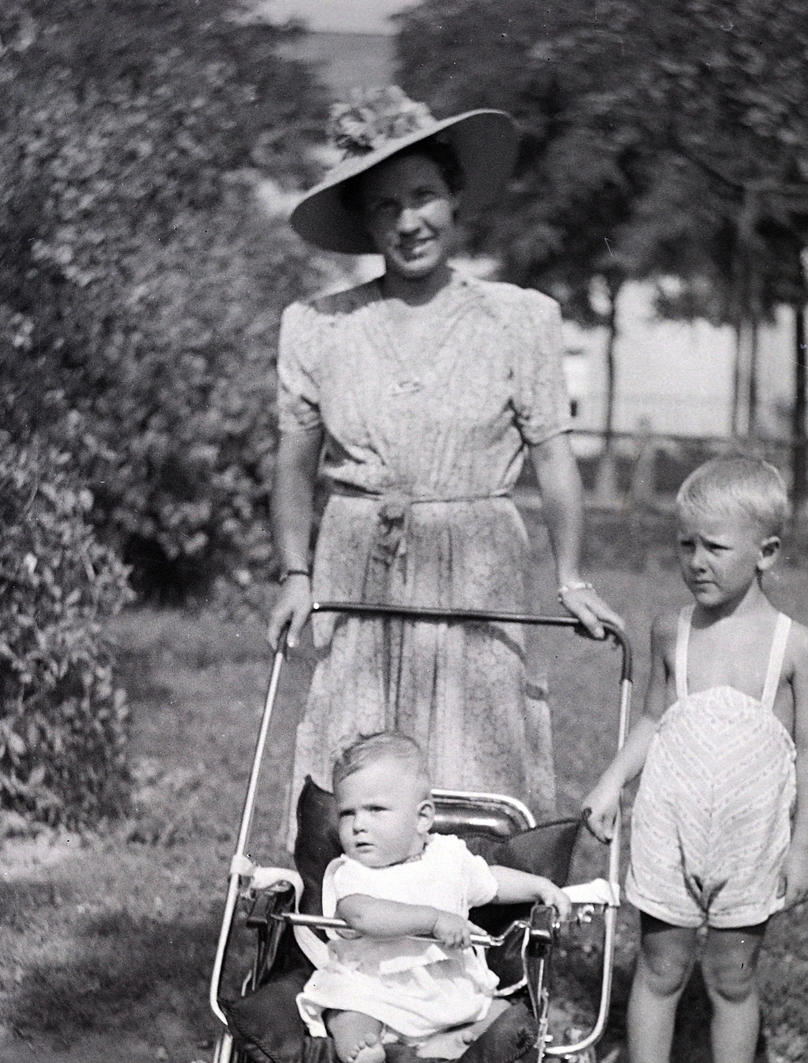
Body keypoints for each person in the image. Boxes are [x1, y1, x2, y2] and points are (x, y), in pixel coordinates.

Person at [266, 87, 622, 826]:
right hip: (358, 563)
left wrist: (572, 576)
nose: (409, 221)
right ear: (366, 222)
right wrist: (295, 573)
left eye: (424, 195)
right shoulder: (319, 326)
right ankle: (346, 926)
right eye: (386, 206)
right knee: (355, 759)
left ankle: (483, 925)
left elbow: (554, 459)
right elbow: (294, 460)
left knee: (477, 756)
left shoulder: (519, 319)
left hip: (477, 562)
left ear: (455, 199)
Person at [582, 458, 808, 1063]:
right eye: (685, 544)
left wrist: (806, 842)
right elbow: (654, 717)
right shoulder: (673, 630)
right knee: (659, 968)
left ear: (767, 553)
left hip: (751, 838)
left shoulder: (796, 646)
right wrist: (609, 784)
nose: (696, 562)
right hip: (670, 826)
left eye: (714, 547)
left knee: (733, 975)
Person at [298, 732, 572, 1063]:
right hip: (373, 988)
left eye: (375, 810)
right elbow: (363, 915)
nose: (358, 824)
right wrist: (433, 919)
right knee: (343, 1012)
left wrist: (539, 886)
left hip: (444, 988)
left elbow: (490, 881)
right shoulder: (353, 873)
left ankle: (447, 1041)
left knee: (500, 1009)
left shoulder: (448, 858)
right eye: (348, 813)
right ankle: (367, 1058)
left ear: (422, 817)